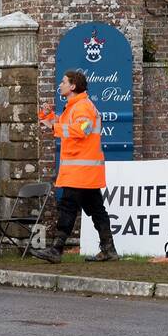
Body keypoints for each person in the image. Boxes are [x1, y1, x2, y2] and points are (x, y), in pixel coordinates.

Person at [33, 70, 118, 263]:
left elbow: (82, 130)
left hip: (80, 171)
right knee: (97, 210)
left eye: (63, 82)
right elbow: (61, 125)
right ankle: (109, 249)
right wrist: (47, 115)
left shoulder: (81, 107)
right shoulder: (75, 106)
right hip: (84, 171)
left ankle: (56, 250)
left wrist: (55, 127)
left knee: (68, 207)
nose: (60, 85)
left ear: (73, 86)